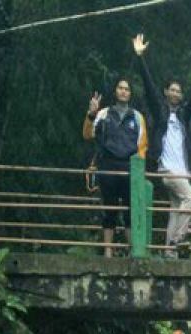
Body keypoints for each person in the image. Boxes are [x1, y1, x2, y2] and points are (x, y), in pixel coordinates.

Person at [133, 34, 191, 255]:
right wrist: (140, 58)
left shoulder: (184, 116)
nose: (175, 93)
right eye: (172, 90)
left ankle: (169, 253)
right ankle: (177, 240)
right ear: (166, 92)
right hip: (166, 168)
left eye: (178, 90)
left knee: (176, 211)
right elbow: (149, 88)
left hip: (183, 170)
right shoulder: (161, 112)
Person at [83, 79, 148, 257]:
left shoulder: (137, 117)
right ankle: (108, 251)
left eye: (127, 89)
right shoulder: (103, 114)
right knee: (109, 209)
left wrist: (138, 171)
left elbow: (142, 146)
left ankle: (132, 251)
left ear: (130, 93)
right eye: (120, 88)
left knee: (130, 210)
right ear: (115, 91)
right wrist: (91, 113)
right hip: (108, 165)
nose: (123, 91)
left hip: (129, 167)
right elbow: (87, 134)